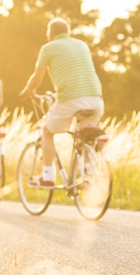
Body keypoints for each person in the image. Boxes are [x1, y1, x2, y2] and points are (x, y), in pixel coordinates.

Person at [18, 17, 104, 188]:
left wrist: (28, 91)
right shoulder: (82, 45)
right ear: (68, 32)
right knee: (84, 135)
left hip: (71, 98)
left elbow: (36, 78)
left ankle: (48, 176)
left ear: (50, 34)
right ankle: (92, 173)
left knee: (47, 131)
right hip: (96, 99)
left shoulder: (48, 48)